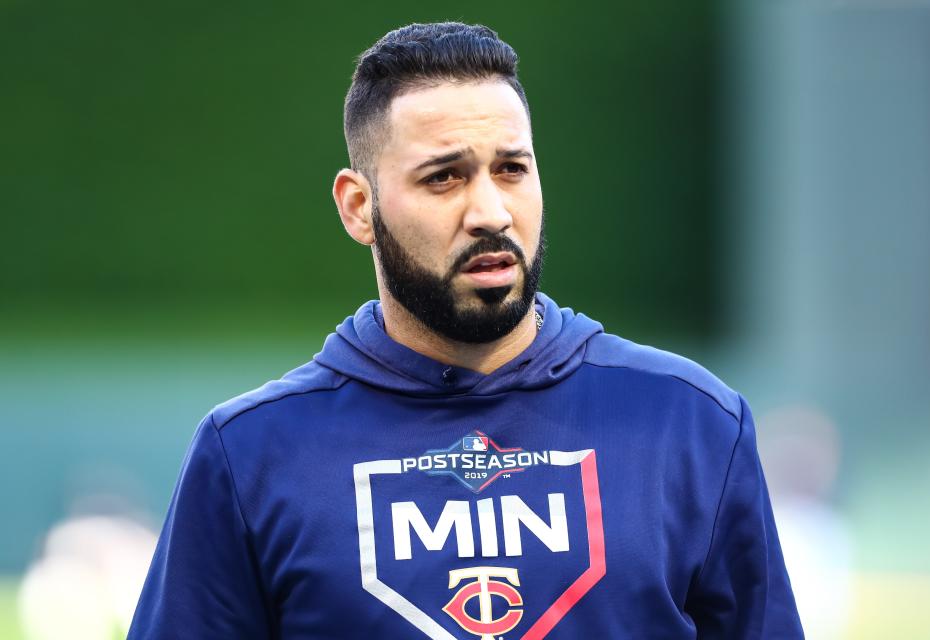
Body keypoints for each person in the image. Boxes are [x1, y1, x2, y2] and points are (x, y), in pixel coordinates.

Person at [129, 22, 803, 639]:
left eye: (511, 169)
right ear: (359, 208)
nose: (490, 212)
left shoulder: (688, 422)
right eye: (444, 178)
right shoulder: (251, 455)